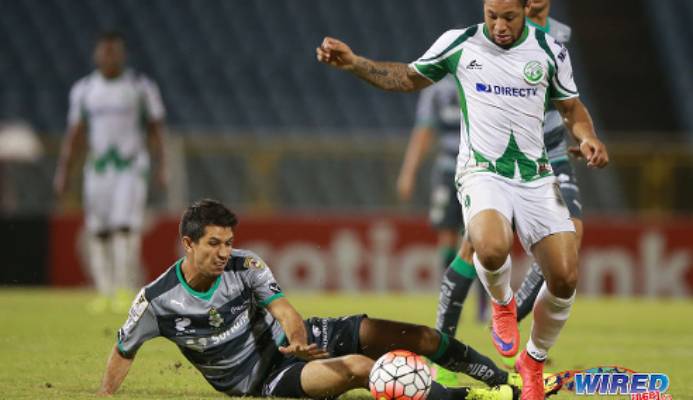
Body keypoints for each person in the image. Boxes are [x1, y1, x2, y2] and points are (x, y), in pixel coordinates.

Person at [315, 0, 609, 398]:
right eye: (492, 16)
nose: (500, 26)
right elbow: (407, 77)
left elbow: (571, 107)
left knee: (565, 277)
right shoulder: (461, 44)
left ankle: (533, 360)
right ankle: (502, 305)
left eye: (509, 17)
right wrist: (355, 63)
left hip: (535, 176)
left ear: (524, 11)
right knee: (489, 247)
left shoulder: (550, 50)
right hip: (481, 172)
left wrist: (588, 137)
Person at [98, 199, 521, 400]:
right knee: (360, 369)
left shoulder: (245, 267)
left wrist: (299, 341)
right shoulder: (157, 300)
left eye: (229, 242)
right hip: (263, 381)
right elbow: (124, 349)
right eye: (214, 243)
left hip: (297, 345)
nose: (224, 252)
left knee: (412, 335)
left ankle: (504, 382)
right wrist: (104, 394)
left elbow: (286, 312)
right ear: (187, 243)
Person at [432, 0, 586, 376]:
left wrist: (582, 133)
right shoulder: (488, 37)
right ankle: (444, 347)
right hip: (496, 155)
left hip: (547, 153)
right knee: (478, 244)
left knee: (571, 240)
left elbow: (564, 97)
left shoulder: (559, 36)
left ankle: (512, 321)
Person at [53, 31, 167, 314]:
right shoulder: (84, 90)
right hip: (98, 168)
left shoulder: (140, 87)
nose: (109, 57)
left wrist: (162, 165)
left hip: (130, 166)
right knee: (99, 229)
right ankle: (103, 290)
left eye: (114, 51)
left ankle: (124, 288)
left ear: (122, 54)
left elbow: (156, 130)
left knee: (125, 226)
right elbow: (76, 134)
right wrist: (64, 170)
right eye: (104, 51)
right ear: (96, 55)